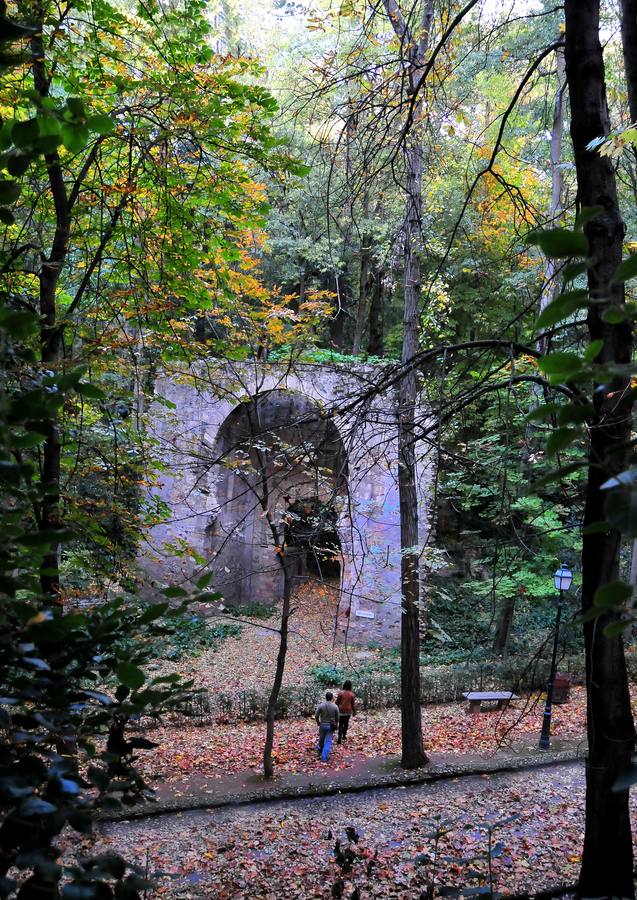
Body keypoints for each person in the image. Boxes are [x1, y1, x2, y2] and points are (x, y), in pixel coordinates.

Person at [315, 691, 339, 762]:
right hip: (330, 725)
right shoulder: (335, 706)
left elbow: (316, 715)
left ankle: (320, 750)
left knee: (321, 739)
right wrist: (336, 723)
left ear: (325, 697)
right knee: (328, 741)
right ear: (332, 698)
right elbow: (338, 717)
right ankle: (324, 757)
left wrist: (318, 722)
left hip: (322, 724)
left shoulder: (321, 705)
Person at [336, 680, 356, 744]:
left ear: (344, 685)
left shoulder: (341, 693)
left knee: (341, 724)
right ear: (350, 686)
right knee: (346, 723)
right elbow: (353, 704)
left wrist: (335, 709)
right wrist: (354, 712)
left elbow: (337, 702)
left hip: (341, 710)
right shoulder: (352, 694)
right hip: (348, 711)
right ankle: (344, 735)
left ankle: (339, 737)